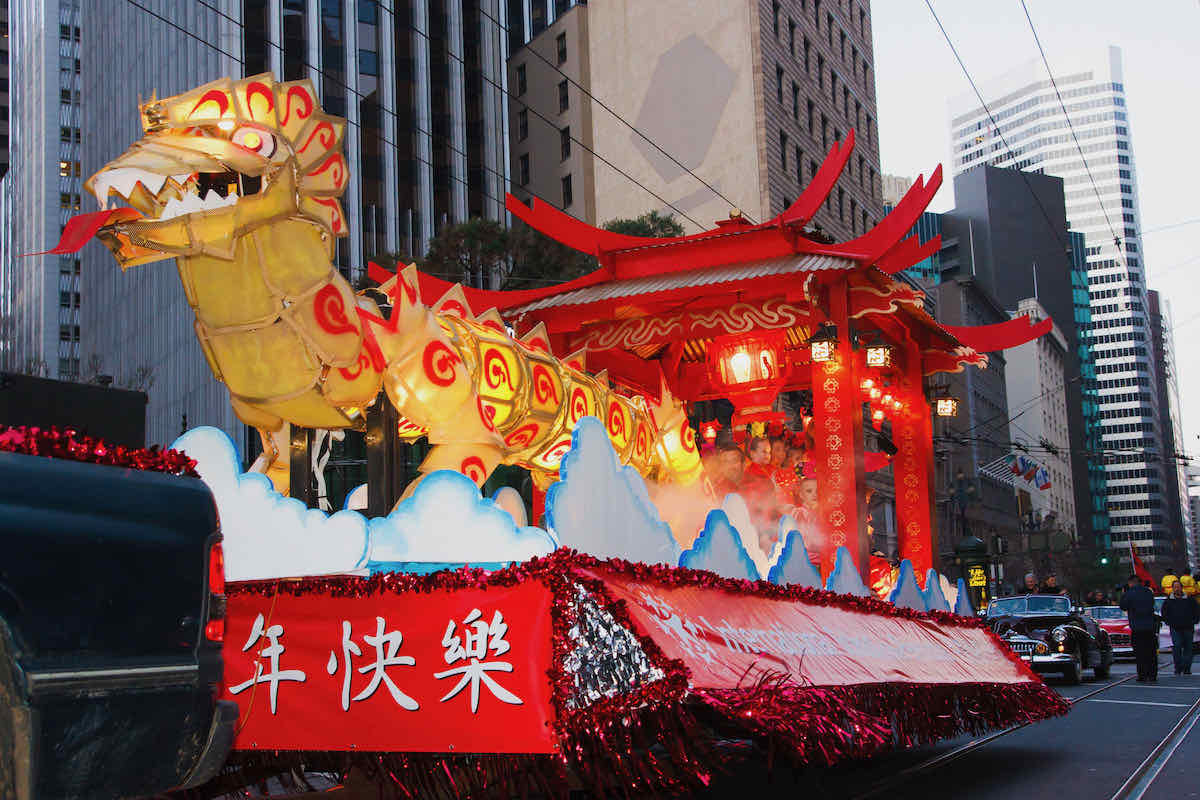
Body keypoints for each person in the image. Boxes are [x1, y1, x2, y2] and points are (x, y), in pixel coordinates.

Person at [1121, 573, 1160, 682]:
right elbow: (1152, 604)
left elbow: (1123, 606)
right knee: (1151, 652)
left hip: (1137, 626)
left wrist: (1124, 594)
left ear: (1131, 583)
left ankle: (1142, 674)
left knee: (1139, 652)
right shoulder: (1148, 592)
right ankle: (1152, 674)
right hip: (1149, 626)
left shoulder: (1129, 593)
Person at [1161, 579, 1199, 675]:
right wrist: (1168, 622)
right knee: (1176, 647)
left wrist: (1195, 621)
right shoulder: (1168, 601)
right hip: (1175, 628)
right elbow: (1164, 613)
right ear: (1172, 588)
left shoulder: (1190, 600)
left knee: (1188, 648)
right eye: (1175, 587)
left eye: (1178, 587)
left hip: (1188, 627)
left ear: (1182, 588)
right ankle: (1178, 668)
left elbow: (1197, 611)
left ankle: (1187, 668)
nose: (1177, 589)